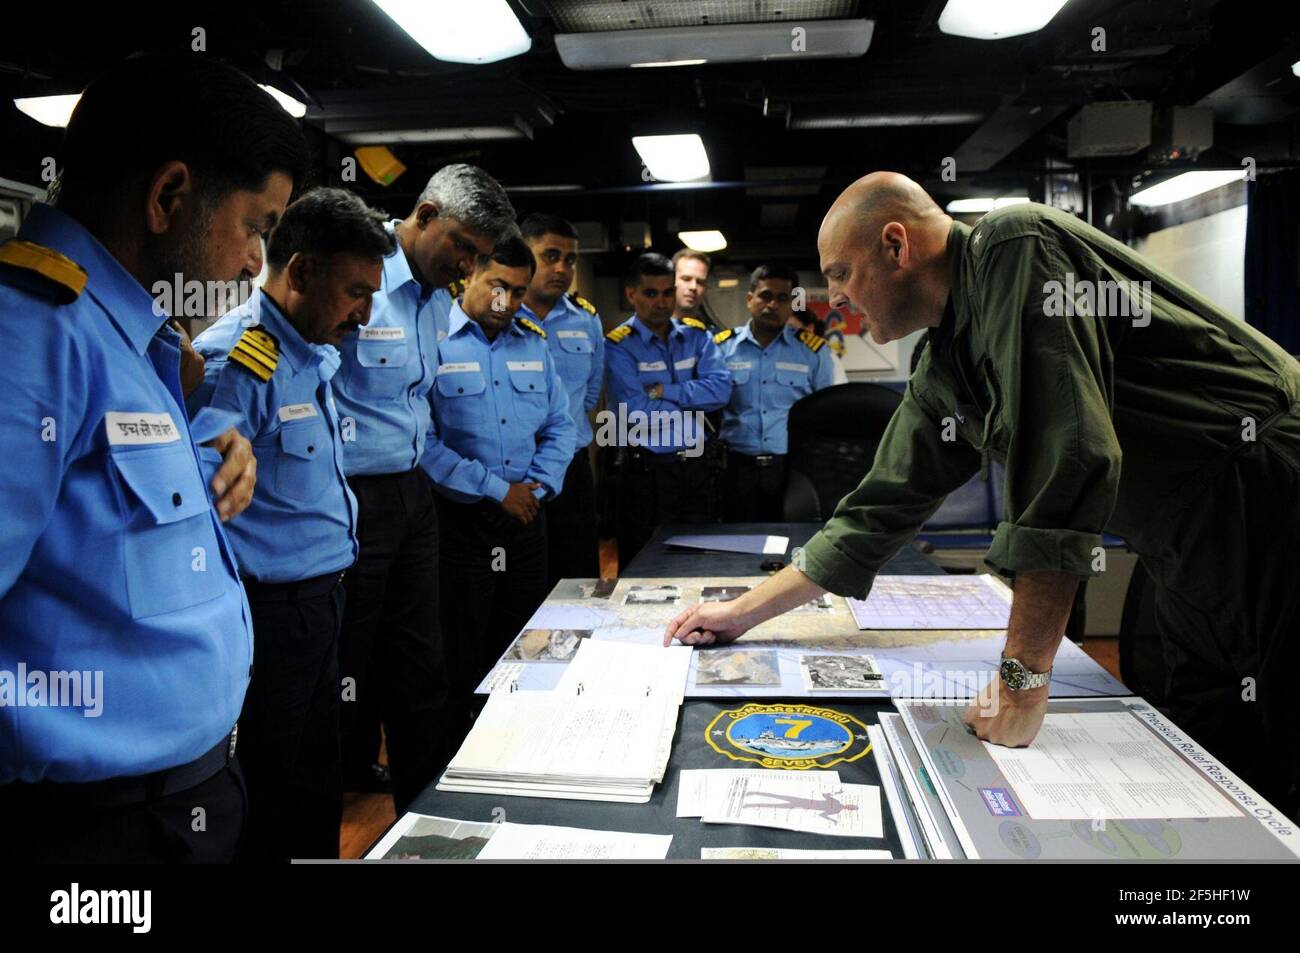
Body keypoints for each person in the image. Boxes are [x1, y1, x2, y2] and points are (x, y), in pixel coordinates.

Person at [666, 171, 1300, 819]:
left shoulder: (1013, 246)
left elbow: (1070, 459)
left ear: (896, 244)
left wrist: (1024, 677)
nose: (833, 298)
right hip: (1185, 546)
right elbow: (874, 511)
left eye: (839, 274)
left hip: (1272, 497)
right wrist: (742, 612)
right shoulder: (947, 363)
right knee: (1218, 763)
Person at [0, 53, 309, 862]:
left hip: (183, 799)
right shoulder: (30, 330)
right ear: (170, 195)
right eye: (256, 227)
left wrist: (208, 442)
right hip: (95, 828)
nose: (254, 263)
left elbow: (99, 492)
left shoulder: (133, 334)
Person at [188, 188, 393, 861]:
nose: (364, 314)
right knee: (271, 795)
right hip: (271, 613)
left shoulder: (309, 348)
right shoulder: (239, 358)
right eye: (356, 292)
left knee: (316, 783)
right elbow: (203, 490)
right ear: (300, 272)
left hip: (322, 600)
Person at [331, 164, 516, 811]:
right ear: (426, 213)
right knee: (343, 670)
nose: (468, 267)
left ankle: (426, 822)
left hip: (413, 497)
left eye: (480, 258)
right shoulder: (355, 273)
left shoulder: (439, 300)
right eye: (463, 247)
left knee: (422, 669)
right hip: (349, 500)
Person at [423, 236, 575, 720]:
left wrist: (536, 487)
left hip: (527, 518)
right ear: (467, 274)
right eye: (497, 287)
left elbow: (560, 424)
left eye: (517, 291)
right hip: (462, 524)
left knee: (529, 638)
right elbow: (422, 442)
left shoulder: (533, 341)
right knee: (463, 645)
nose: (507, 302)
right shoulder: (433, 340)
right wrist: (496, 491)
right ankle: (462, 752)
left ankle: (523, 731)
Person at [604, 252, 731, 565]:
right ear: (631, 294)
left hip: (697, 467)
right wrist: (692, 401)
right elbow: (636, 413)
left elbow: (722, 390)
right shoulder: (618, 345)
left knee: (699, 558)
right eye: (650, 293)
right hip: (648, 473)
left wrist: (664, 392)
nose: (661, 302)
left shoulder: (696, 336)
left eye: (666, 292)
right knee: (646, 563)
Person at [518, 213, 603, 583]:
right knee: (523, 578)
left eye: (569, 260)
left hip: (572, 467)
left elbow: (590, 394)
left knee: (578, 576)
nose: (561, 268)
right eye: (549, 255)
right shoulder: (498, 314)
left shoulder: (586, 320)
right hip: (516, 470)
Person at [715, 262, 835, 521]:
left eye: (783, 298)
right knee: (735, 545)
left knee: (790, 542)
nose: (772, 305)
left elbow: (824, 418)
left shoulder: (814, 351)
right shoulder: (721, 348)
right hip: (735, 468)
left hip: (791, 469)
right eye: (765, 296)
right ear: (750, 299)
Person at [672, 248, 716, 329]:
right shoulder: (647, 327)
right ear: (671, 280)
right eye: (686, 279)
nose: (693, 287)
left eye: (700, 282)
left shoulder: (711, 336)